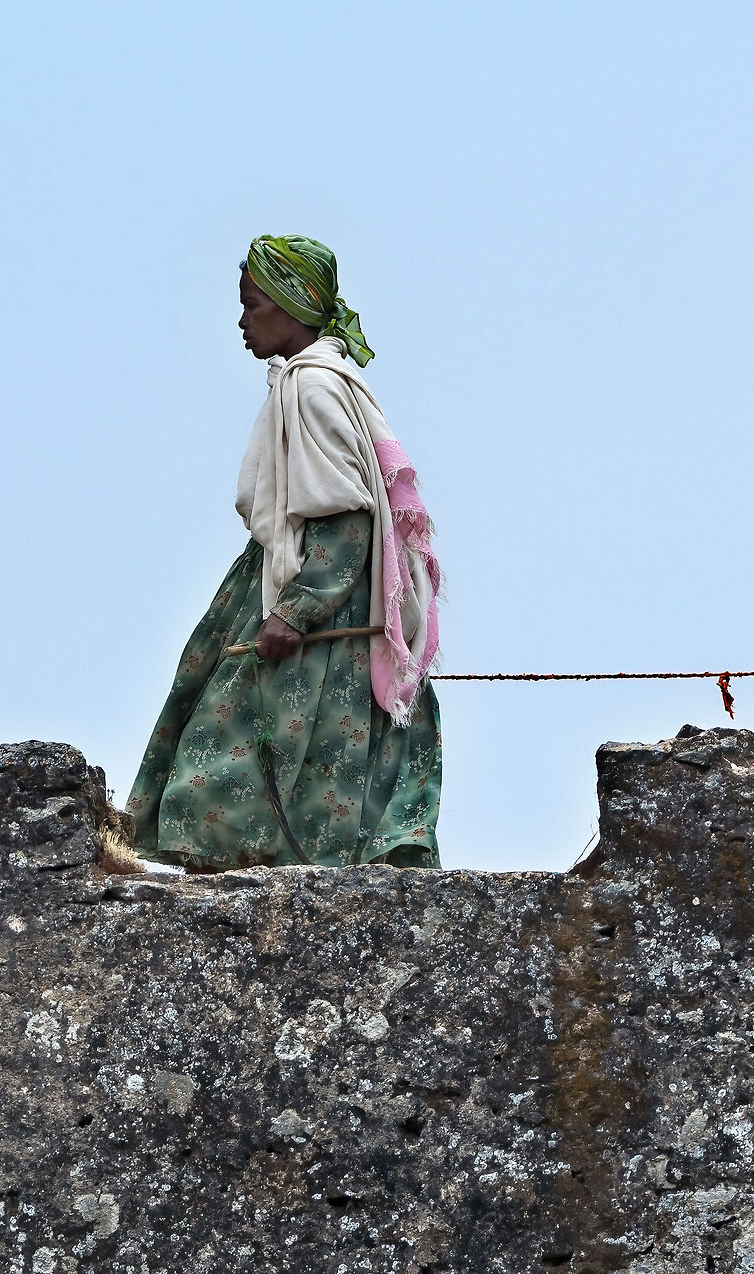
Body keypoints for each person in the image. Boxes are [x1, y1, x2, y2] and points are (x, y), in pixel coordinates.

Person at [126, 236, 444, 869]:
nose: (242, 322)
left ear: (293, 304)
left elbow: (347, 518)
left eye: (252, 305)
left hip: (317, 595)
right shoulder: (320, 381)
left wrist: (293, 613)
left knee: (224, 741)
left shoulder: (311, 386)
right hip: (306, 584)